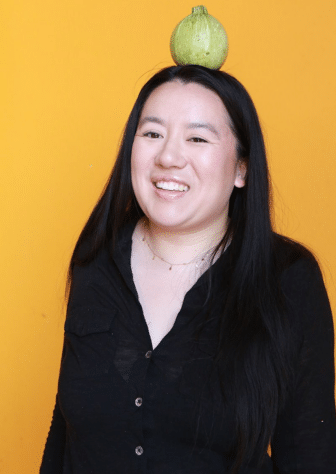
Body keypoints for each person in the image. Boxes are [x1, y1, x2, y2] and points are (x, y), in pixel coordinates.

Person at [40, 65, 336, 474]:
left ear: (241, 169)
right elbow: (66, 429)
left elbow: (309, 451)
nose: (168, 157)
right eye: (153, 134)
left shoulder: (288, 279)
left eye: (197, 138)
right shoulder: (97, 259)